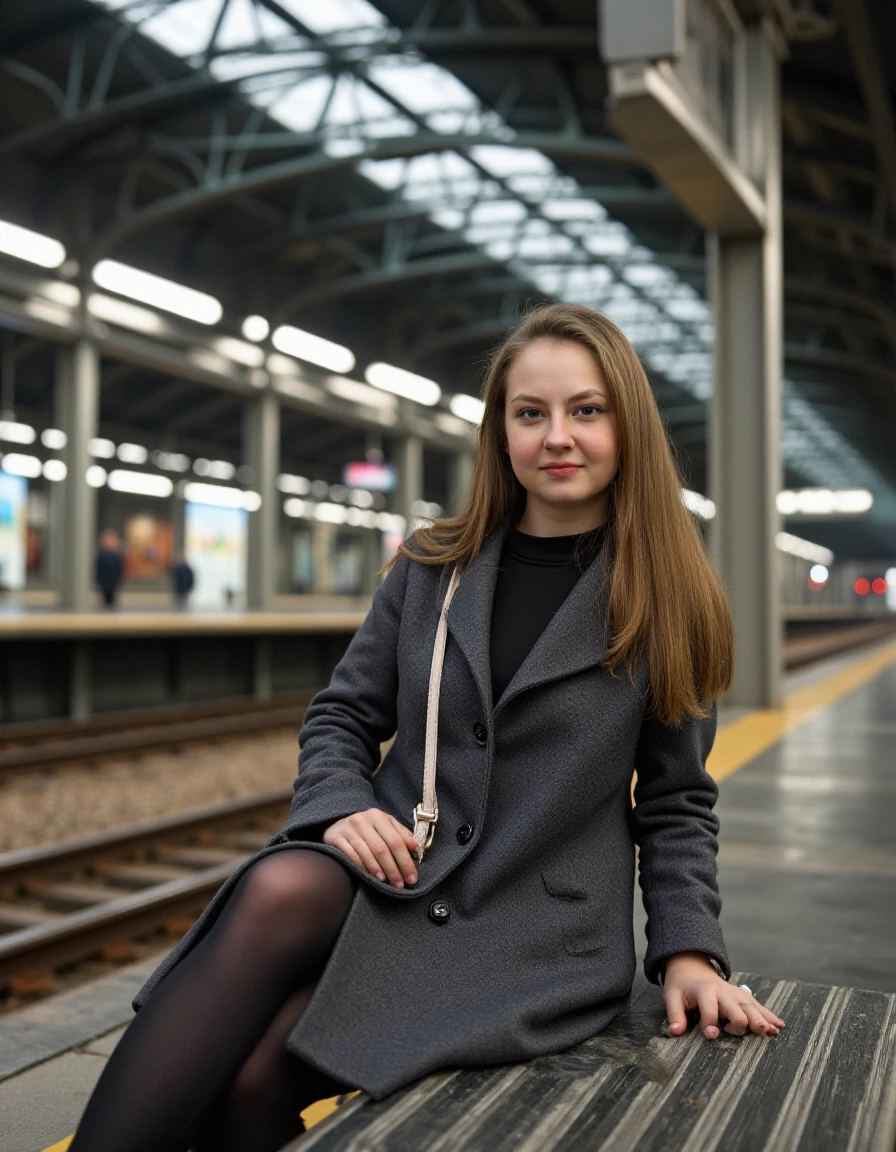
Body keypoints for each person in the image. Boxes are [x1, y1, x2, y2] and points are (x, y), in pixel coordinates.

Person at [69, 304, 785, 1152]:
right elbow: (342, 715)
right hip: (401, 874)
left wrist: (688, 951)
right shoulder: (432, 566)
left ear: (627, 424)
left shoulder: (668, 601)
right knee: (278, 886)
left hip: (532, 934)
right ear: (501, 433)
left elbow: (675, 804)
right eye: (531, 413)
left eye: (586, 410)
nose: (558, 436)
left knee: (258, 1073)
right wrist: (341, 804)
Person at [95, 529, 123, 609]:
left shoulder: (116, 556)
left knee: (112, 601)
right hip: (104, 583)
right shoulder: (102, 556)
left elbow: (119, 570)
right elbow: (98, 570)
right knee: (105, 601)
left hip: (113, 583)